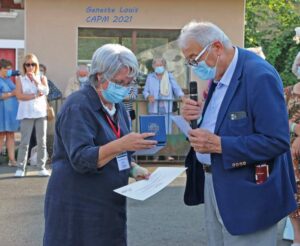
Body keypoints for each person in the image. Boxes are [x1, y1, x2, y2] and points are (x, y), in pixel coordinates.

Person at [178, 21, 297, 245]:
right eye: (189, 61)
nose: (193, 66)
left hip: (248, 192)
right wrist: (196, 118)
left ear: (216, 47)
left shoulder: (258, 75)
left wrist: (220, 145)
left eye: (195, 58)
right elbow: (222, 123)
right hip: (215, 182)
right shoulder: (220, 74)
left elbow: (276, 140)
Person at [43, 44, 157, 246]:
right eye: (118, 82)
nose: (123, 87)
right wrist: (122, 145)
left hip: (108, 202)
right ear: (98, 76)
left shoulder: (118, 106)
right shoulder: (78, 105)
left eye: (129, 82)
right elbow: (81, 158)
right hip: (77, 203)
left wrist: (133, 169)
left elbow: (112, 148)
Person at [14, 53, 50, 177]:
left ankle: (41, 167)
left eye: (33, 64)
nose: (30, 67)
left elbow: (45, 91)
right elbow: (19, 95)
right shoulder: (20, 79)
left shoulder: (42, 78)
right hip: (26, 113)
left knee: (42, 141)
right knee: (24, 142)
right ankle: (20, 167)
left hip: (40, 112)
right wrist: (34, 95)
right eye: (28, 64)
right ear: (24, 66)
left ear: (36, 66)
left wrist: (35, 80)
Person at [143, 57, 184, 134]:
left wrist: (181, 96)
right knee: (154, 130)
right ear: (153, 66)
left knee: (167, 131)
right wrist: (148, 96)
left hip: (166, 107)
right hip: (154, 107)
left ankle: (167, 145)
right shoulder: (150, 77)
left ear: (164, 66)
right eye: (157, 65)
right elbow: (145, 91)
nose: (159, 67)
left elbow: (176, 88)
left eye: (161, 65)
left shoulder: (169, 76)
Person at [284, 52, 300, 246]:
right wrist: (295, 129)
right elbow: (276, 119)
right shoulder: (285, 92)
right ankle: (297, 237)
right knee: (292, 195)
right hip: (289, 153)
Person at [0, 59, 19, 167]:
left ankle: (12, 160)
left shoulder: (9, 80)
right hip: (1, 112)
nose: (9, 71)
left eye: (10, 69)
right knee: (1, 135)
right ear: (1, 69)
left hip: (11, 112)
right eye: (7, 69)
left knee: (11, 135)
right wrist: (12, 93)